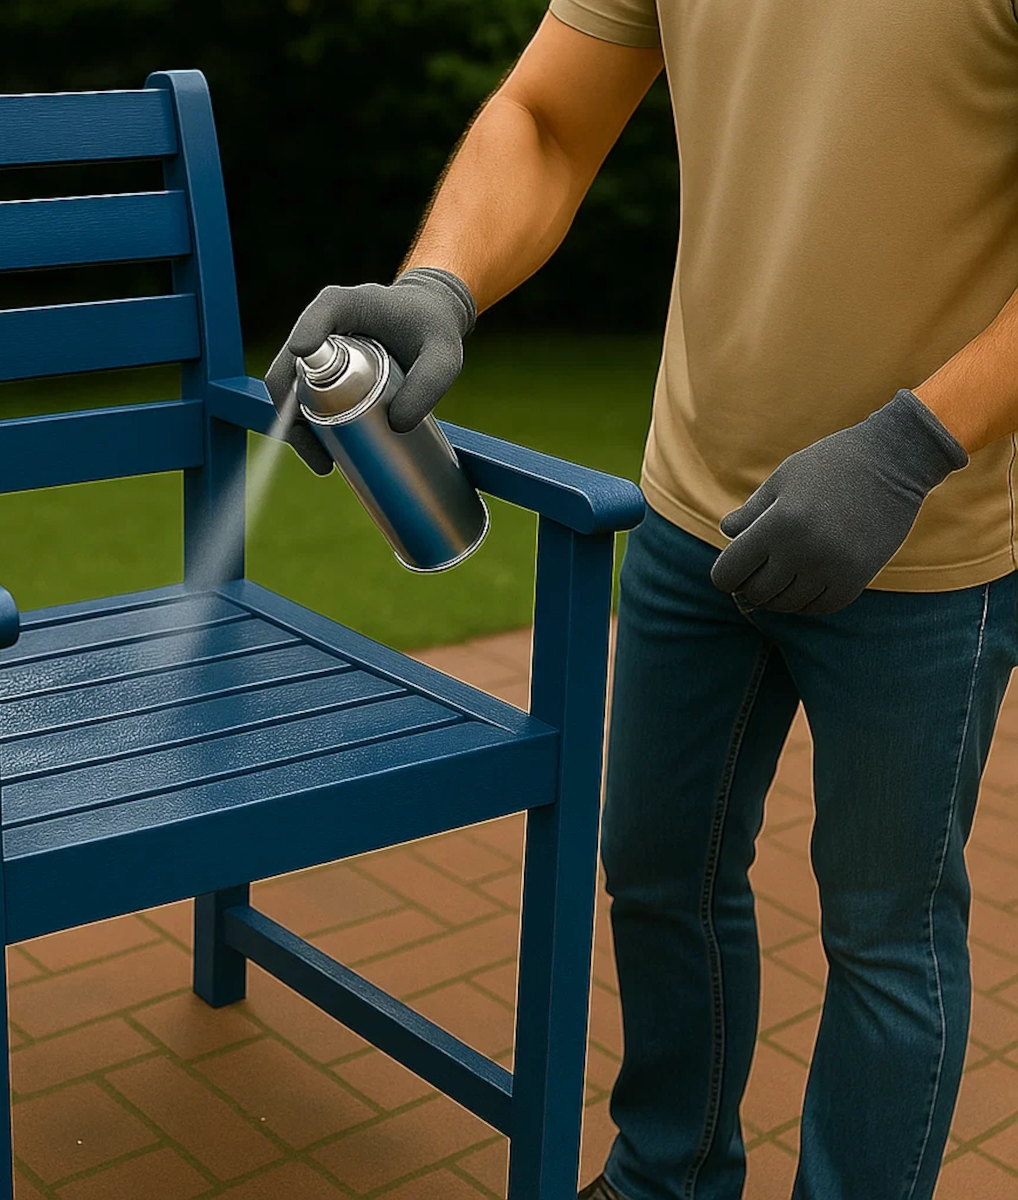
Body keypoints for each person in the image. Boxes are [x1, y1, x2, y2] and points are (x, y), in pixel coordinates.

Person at [265, 4, 1018, 1197]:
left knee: (887, 937)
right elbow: (550, 118)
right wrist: (440, 284)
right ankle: (667, 1176)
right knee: (659, 872)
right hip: (692, 505)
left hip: (922, 543)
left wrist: (913, 447)